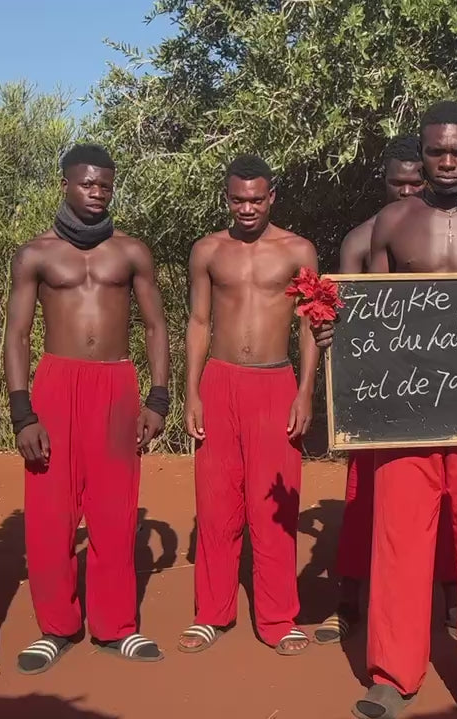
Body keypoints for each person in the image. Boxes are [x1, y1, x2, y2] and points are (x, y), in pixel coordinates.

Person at [314, 100, 457, 719]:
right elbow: (374, 321)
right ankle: (392, 675)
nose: (448, 162)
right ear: (423, 154)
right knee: (399, 544)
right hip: (406, 412)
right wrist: (337, 334)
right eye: (437, 152)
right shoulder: (392, 223)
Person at [4, 143, 171, 673]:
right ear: (65, 185)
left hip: (115, 385)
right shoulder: (36, 254)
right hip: (57, 383)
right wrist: (22, 412)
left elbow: (156, 327)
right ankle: (56, 627)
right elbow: (17, 334)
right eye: (87, 183)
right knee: (51, 513)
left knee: (114, 510)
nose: (97, 192)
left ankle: (116, 625)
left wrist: (159, 398)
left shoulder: (131, 252)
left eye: (105, 185)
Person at [315, 136, 457, 647]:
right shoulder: (361, 240)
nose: (406, 191)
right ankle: (349, 600)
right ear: (383, 181)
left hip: (445, 386)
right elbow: (347, 318)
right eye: (397, 183)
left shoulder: (453, 233)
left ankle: (452, 597)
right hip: (380, 389)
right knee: (363, 496)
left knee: (445, 496)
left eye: (414, 182)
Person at [177, 154, 319, 657]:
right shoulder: (208, 250)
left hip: (275, 382)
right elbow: (198, 321)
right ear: (227, 198)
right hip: (220, 381)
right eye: (238, 200)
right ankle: (211, 613)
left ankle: (278, 617)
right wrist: (192, 392)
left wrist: (305, 391)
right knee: (216, 502)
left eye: (256, 199)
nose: (248, 208)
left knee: (275, 505)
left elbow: (310, 323)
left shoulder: (298, 249)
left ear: (271, 196)